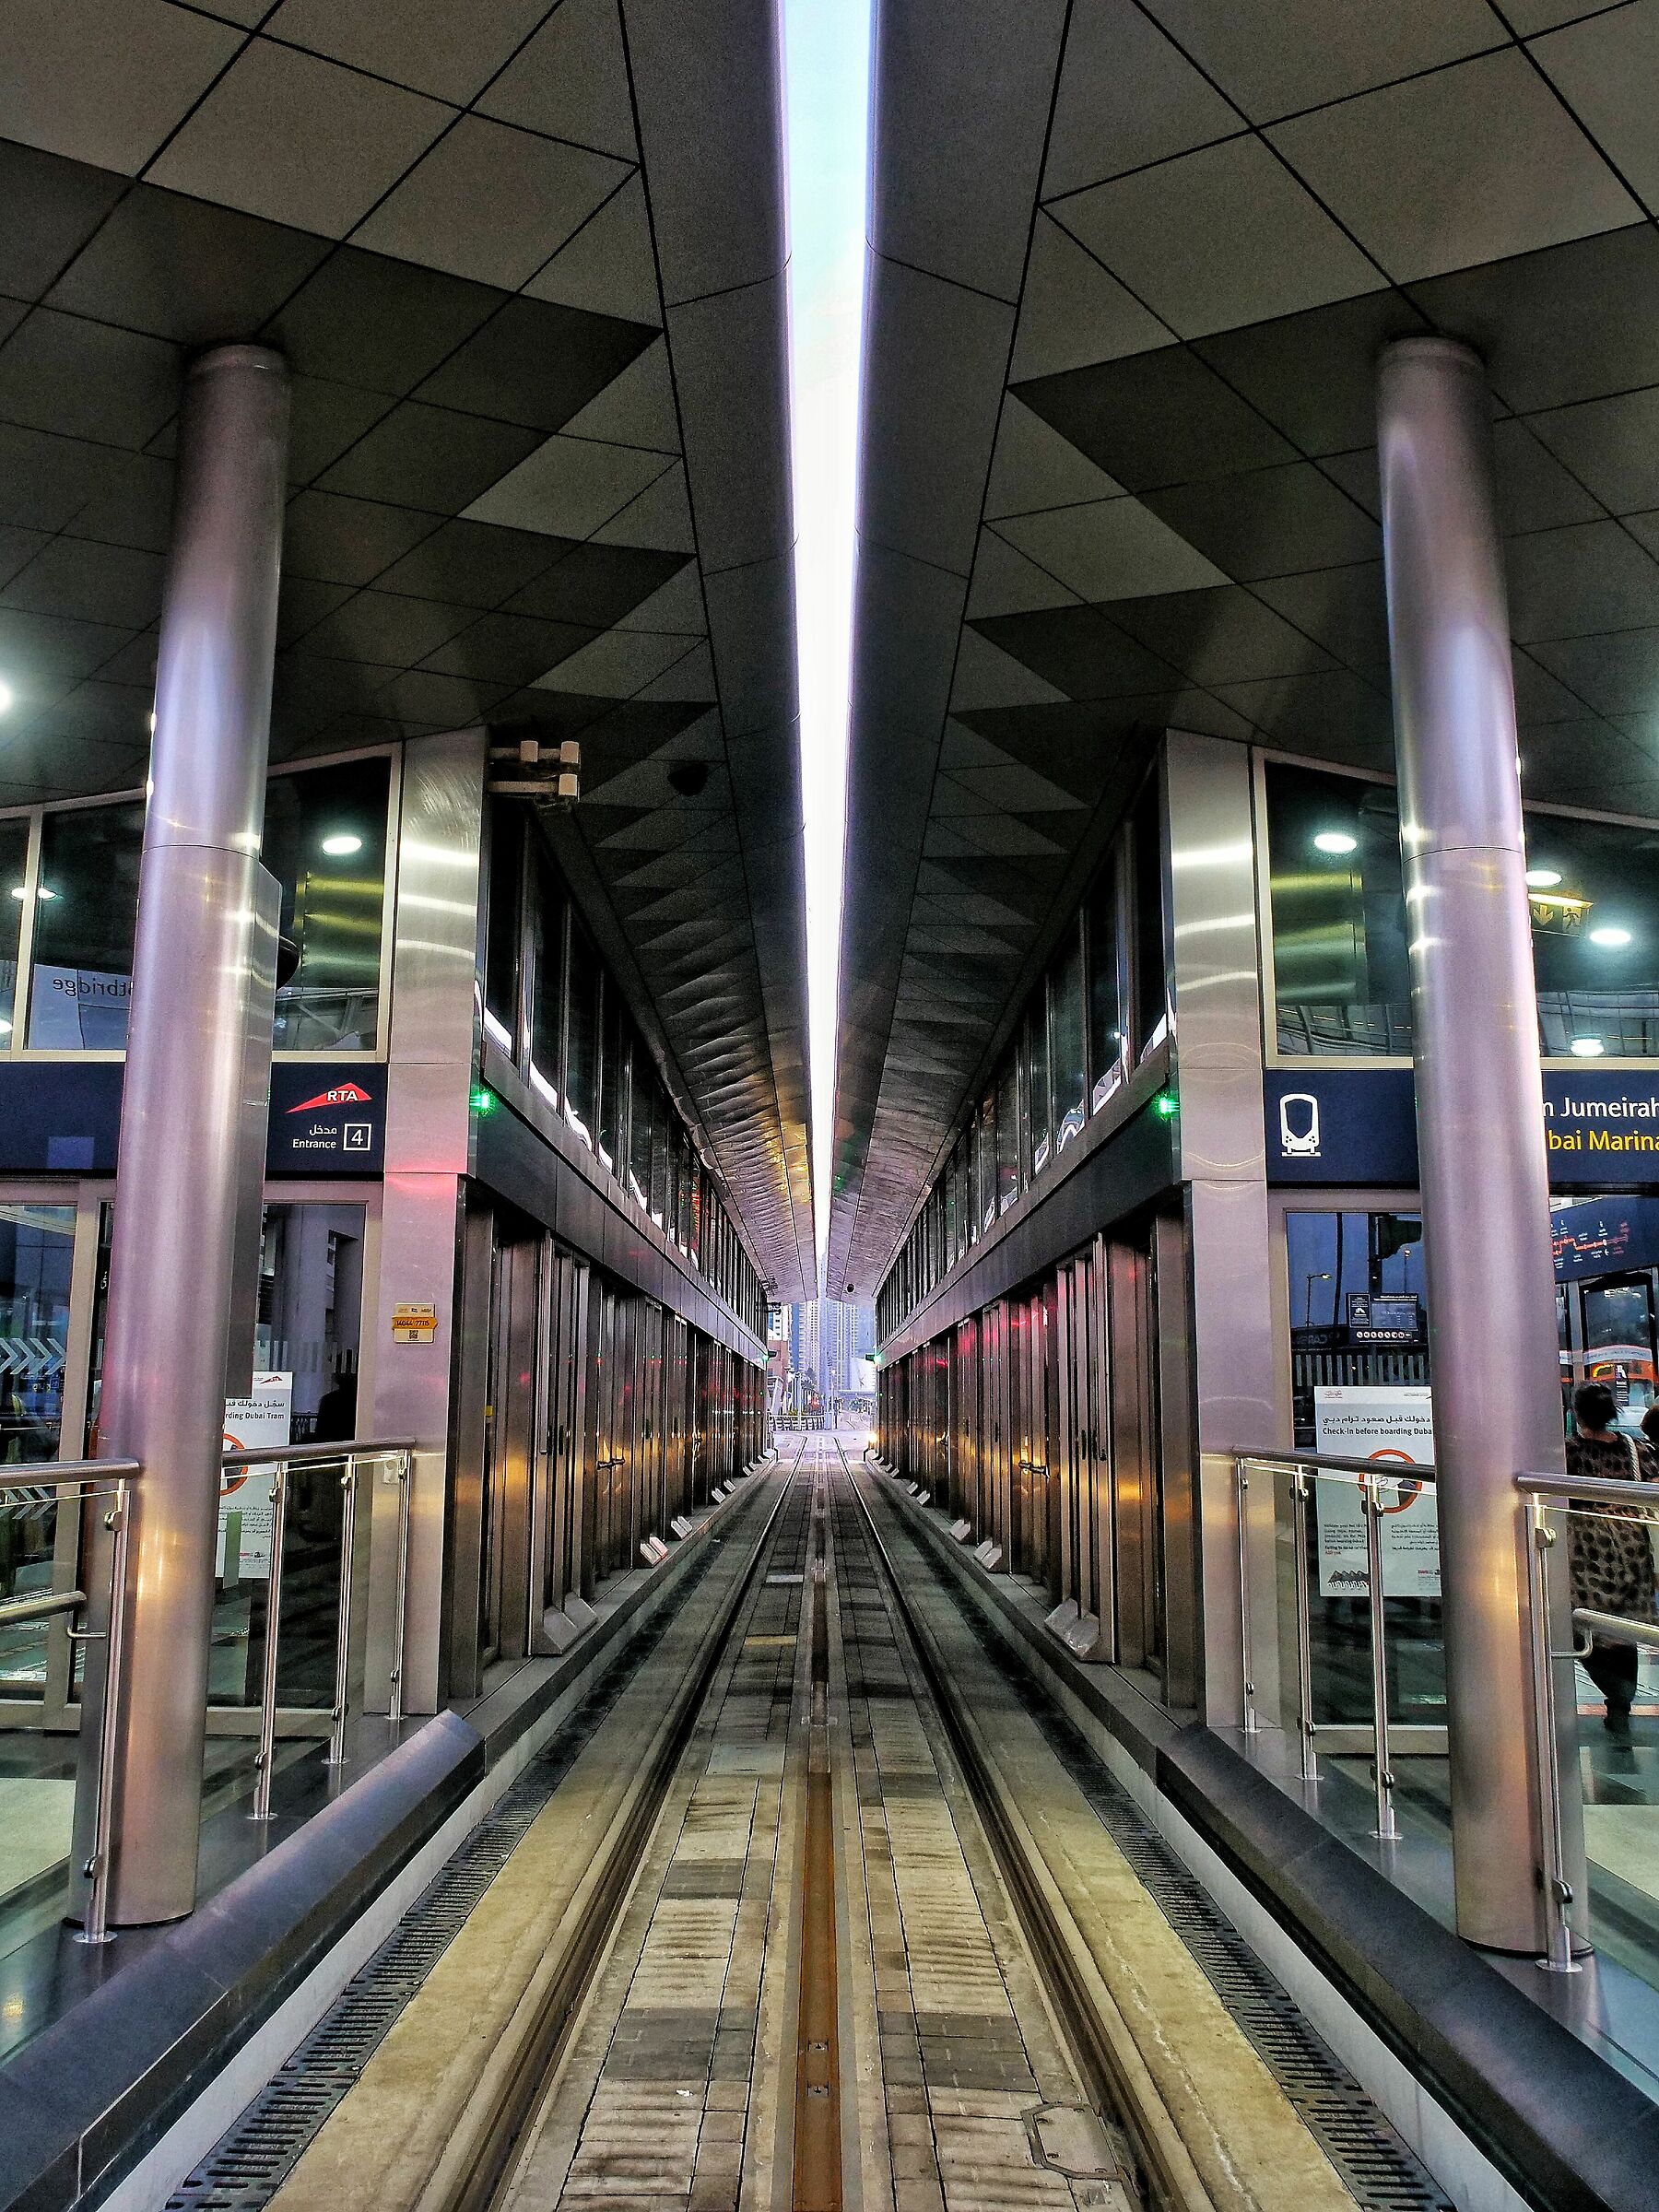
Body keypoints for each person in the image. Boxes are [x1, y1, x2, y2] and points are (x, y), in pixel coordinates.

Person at [1567, 1381, 1658, 1742]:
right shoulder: (1637, 1449)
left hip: (1587, 1547)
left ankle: (1616, 1693)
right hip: (1632, 1543)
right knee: (1624, 1629)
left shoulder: (1569, 1452)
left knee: (1583, 1623)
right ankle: (1621, 1703)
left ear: (1577, 1413)